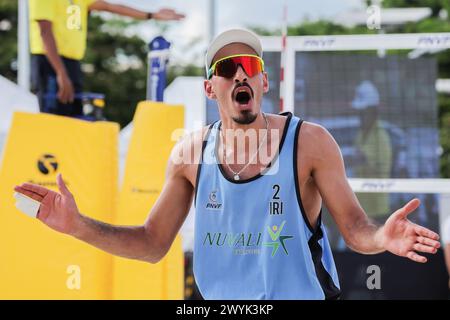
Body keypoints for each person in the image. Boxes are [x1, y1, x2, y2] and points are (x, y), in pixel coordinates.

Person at [15, 29, 441, 300]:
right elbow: (151, 243)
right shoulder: (189, 153)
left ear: (263, 81)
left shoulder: (310, 143)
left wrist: (382, 237)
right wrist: (77, 226)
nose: (240, 75)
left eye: (250, 66)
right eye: (227, 68)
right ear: (209, 87)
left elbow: (356, 230)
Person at [29, 0, 184, 117]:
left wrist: (152, 15)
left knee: (73, 117)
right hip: (50, 63)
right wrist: (61, 73)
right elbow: (45, 32)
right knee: (53, 118)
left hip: (72, 64)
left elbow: (112, 7)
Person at [351, 81, 392, 220]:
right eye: (359, 113)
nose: (360, 117)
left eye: (364, 112)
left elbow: (379, 171)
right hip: (361, 207)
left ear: (373, 111)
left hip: (377, 210)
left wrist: (361, 160)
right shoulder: (360, 134)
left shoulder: (381, 137)